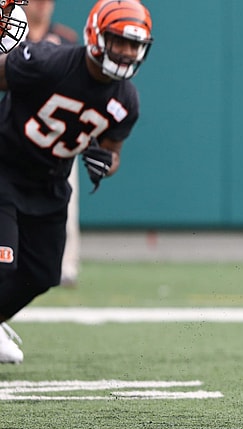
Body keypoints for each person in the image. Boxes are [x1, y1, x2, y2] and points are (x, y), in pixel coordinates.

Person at [0, 0, 153, 364]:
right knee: (3, 262)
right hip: (5, 166)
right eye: (119, 41)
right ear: (96, 36)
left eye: (134, 44)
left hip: (50, 182)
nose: (126, 51)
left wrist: (106, 164)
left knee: (42, 275)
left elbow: (112, 152)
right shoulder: (48, 63)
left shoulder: (126, 100)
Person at [22, 0, 80, 288]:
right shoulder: (11, 35)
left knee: (64, 201)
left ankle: (66, 265)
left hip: (58, 137)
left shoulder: (65, 38)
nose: (43, 5)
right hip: (18, 133)